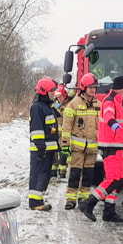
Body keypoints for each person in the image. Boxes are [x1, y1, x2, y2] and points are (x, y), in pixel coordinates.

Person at [84, 75, 123, 222]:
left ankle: (109, 211)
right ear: (122, 89)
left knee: (117, 179)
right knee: (114, 179)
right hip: (111, 145)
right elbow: (108, 114)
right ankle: (89, 203)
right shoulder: (111, 101)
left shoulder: (118, 100)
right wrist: (112, 123)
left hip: (117, 145)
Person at [61, 73, 100, 210]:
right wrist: (65, 145)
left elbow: (100, 126)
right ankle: (71, 199)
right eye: (90, 87)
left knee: (88, 175)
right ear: (84, 88)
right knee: (74, 174)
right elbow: (66, 127)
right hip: (77, 149)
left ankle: (84, 198)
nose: (93, 90)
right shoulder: (73, 104)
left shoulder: (98, 104)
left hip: (92, 149)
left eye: (95, 87)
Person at [28, 78, 60, 211]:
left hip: (48, 150)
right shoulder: (37, 108)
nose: (54, 93)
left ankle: (39, 199)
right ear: (44, 92)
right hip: (41, 150)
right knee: (38, 175)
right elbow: (37, 130)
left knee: (44, 175)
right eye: (52, 91)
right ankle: (35, 203)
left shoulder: (47, 107)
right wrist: (41, 148)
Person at [52, 85, 70, 179]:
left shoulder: (69, 106)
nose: (59, 99)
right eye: (57, 97)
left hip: (65, 134)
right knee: (54, 152)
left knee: (64, 153)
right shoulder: (55, 106)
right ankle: (53, 172)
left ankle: (62, 172)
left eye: (61, 96)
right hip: (55, 133)